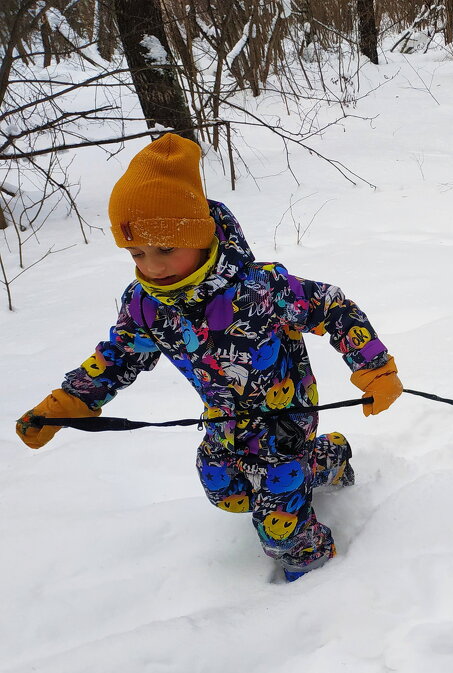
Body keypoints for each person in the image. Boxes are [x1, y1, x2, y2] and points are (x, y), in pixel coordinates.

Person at [15, 133, 402, 581]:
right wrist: (70, 402)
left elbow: (333, 307)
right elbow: (119, 355)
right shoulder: (146, 304)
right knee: (227, 491)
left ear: (198, 237)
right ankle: (329, 458)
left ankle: (316, 578)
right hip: (222, 417)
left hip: (285, 417)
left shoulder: (260, 289)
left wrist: (374, 369)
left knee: (279, 525)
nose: (152, 265)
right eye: (137, 253)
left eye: (165, 249)